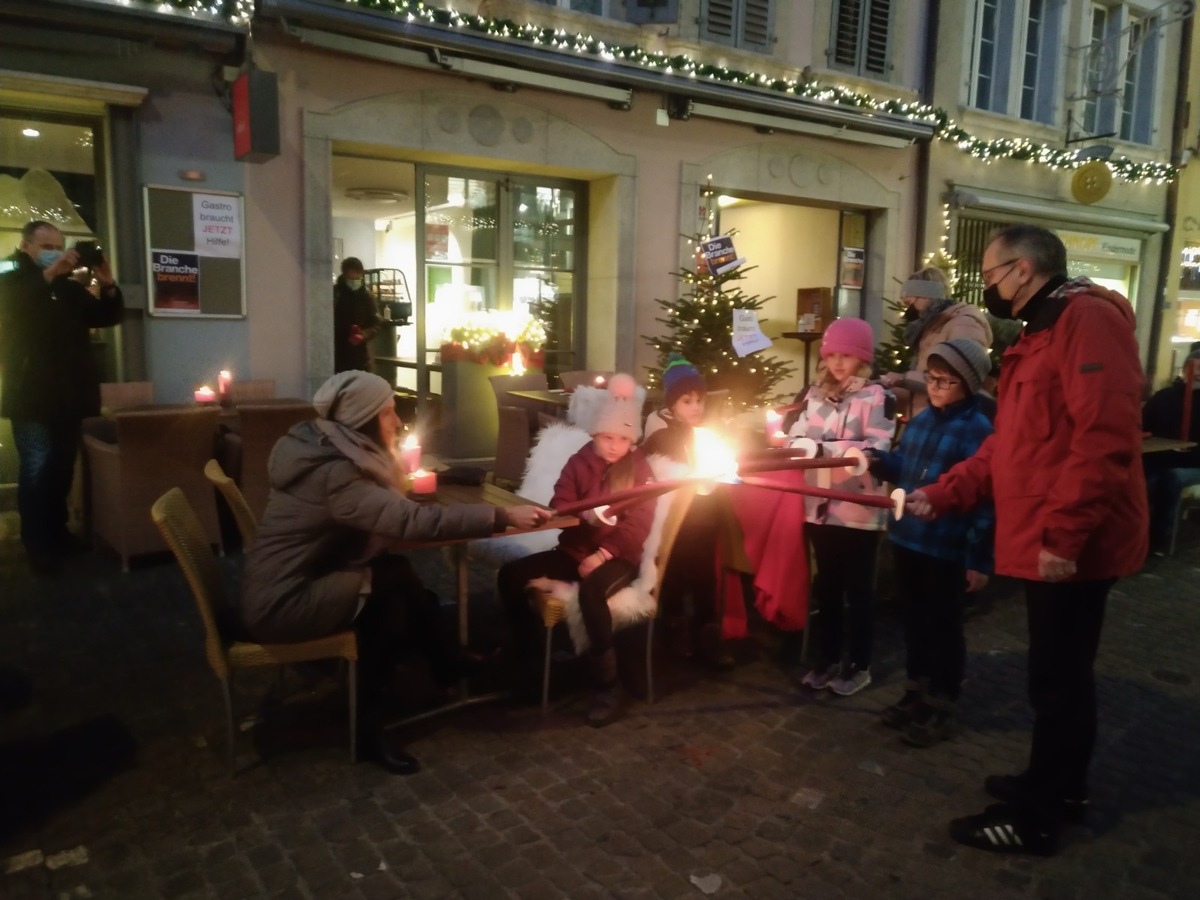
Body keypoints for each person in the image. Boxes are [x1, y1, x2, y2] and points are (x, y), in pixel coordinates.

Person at [906, 224, 1147, 856]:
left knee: (1059, 679)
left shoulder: (1085, 322)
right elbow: (1010, 445)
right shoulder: (1043, 331)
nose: (987, 285)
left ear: (1022, 269)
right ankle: (1057, 786)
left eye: (990, 274)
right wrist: (946, 491)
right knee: (1058, 675)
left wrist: (1064, 538)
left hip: (1070, 544)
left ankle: (1039, 819)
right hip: (1047, 533)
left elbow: (1106, 439)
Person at [237, 370, 549, 774]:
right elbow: (415, 523)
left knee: (393, 569)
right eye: (387, 413)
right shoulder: (337, 474)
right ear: (364, 419)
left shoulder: (324, 447)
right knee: (382, 609)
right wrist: (503, 515)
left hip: (282, 585)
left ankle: (443, 661)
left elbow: (388, 503)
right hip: (283, 604)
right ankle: (370, 730)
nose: (397, 422)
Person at [497, 373, 655, 727]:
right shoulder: (580, 460)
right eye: (606, 437)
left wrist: (602, 555)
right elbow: (561, 501)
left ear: (632, 440)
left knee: (592, 594)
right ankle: (534, 662)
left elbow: (638, 525)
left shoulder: (639, 469)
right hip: (574, 550)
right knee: (509, 575)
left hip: (616, 557)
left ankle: (606, 683)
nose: (613, 446)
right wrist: (583, 514)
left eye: (622, 439)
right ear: (595, 434)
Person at [868, 338, 995, 747]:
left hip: (946, 545)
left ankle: (942, 698)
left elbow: (985, 496)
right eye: (932, 378)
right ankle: (915, 690)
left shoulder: (978, 432)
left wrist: (978, 557)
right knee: (915, 621)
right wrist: (879, 460)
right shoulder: (921, 421)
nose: (936, 388)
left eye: (946, 381)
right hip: (909, 538)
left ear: (969, 384)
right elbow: (905, 467)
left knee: (944, 625)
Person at [0, 220, 124, 574]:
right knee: (36, 471)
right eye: (47, 245)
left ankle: (58, 535)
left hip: (70, 396)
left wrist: (108, 283)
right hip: (31, 396)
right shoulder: (12, 281)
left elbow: (106, 315)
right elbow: (18, 306)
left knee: (60, 470)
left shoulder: (69, 290)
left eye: (58, 245)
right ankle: (37, 545)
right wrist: (54, 271)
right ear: (27, 247)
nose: (55, 251)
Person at [792, 318, 895, 697]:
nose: (837, 363)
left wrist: (823, 451)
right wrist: (797, 443)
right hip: (820, 506)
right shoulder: (816, 395)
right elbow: (798, 433)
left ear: (861, 358)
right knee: (828, 587)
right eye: (832, 354)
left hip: (858, 509)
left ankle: (860, 662)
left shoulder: (875, 397)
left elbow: (875, 448)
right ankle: (827, 658)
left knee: (858, 589)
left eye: (846, 355)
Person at [641, 353, 731, 669]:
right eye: (687, 401)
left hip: (705, 515)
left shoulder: (707, 433)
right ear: (673, 404)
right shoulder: (661, 433)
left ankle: (707, 635)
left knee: (705, 574)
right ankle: (675, 630)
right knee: (676, 571)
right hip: (676, 519)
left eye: (699, 400)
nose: (695, 407)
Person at [881, 266, 992, 417]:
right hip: (927, 420)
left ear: (926, 296)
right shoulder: (930, 327)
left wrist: (903, 378)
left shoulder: (963, 324)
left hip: (949, 422)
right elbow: (923, 390)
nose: (908, 310)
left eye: (909, 303)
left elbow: (958, 378)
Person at [1141, 346, 1200, 554]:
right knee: (1140, 478)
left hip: (1194, 463)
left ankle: (1160, 536)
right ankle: (1134, 534)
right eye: (1194, 368)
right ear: (1184, 370)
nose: (1198, 373)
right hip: (1162, 457)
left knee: (1172, 478)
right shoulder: (1165, 397)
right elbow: (1142, 424)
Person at [333, 257, 381, 373]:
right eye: (351, 279)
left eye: (357, 278)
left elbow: (376, 323)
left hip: (361, 356)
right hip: (338, 354)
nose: (354, 282)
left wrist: (363, 334)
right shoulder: (335, 294)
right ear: (344, 276)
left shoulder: (367, 296)